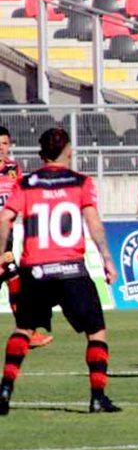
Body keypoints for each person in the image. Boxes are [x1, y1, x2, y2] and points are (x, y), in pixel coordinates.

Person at [0, 128, 120, 415]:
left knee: (23, 329)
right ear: (68, 150)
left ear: (41, 154)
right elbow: (94, 226)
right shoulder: (81, 182)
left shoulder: (26, 183)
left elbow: (6, 218)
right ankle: (97, 397)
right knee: (96, 331)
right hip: (71, 270)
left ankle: (5, 390)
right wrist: (107, 260)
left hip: (36, 270)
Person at [0, 126, 53, 349]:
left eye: (4, 143)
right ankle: (26, 332)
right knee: (14, 278)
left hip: (7, 236)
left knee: (15, 280)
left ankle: (26, 332)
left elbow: (21, 196)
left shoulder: (13, 168)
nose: (0, 148)